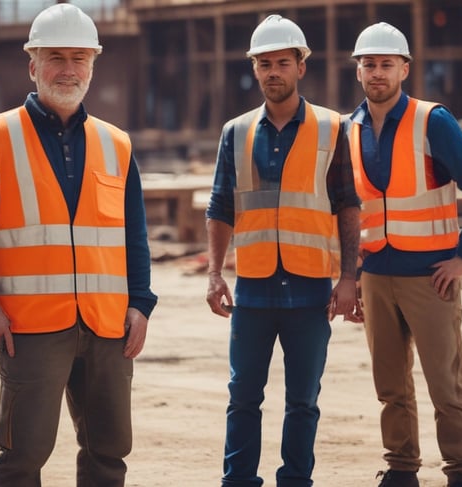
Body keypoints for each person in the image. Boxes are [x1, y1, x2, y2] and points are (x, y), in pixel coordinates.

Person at [0, 4, 157, 486]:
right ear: (32, 64)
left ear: (93, 65)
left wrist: (140, 304)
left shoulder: (116, 144)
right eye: (55, 57)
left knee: (108, 453)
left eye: (80, 57)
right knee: (22, 456)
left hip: (107, 326)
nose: (68, 68)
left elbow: (132, 235)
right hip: (30, 327)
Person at [205, 14, 362, 487]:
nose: (273, 72)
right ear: (254, 69)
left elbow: (347, 206)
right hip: (252, 289)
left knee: (303, 401)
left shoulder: (333, 128)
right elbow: (220, 206)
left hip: (311, 287)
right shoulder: (235, 132)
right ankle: (239, 481)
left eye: (282, 63)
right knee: (243, 397)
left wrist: (349, 277)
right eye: (264, 64)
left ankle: (296, 481)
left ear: (301, 67)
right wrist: (214, 274)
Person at [345, 22, 462, 487]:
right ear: (358, 71)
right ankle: (400, 468)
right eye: (369, 65)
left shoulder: (432, 121)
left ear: (404, 69)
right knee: (390, 385)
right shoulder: (348, 128)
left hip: (431, 275)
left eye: (386, 65)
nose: (377, 73)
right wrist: (351, 274)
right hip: (375, 274)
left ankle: (460, 470)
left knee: (445, 384)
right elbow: (351, 209)